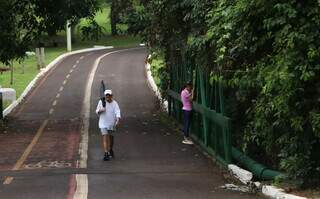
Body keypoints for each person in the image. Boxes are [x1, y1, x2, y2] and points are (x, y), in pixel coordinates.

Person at [96, 89, 121, 161]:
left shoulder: (115, 103)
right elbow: (97, 111)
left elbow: (117, 111)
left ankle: (110, 149)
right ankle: (106, 153)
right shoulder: (101, 102)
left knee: (111, 138)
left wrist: (118, 119)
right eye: (106, 96)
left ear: (111, 96)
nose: (107, 97)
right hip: (103, 124)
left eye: (109, 96)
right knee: (105, 136)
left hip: (111, 124)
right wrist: (102, 110)